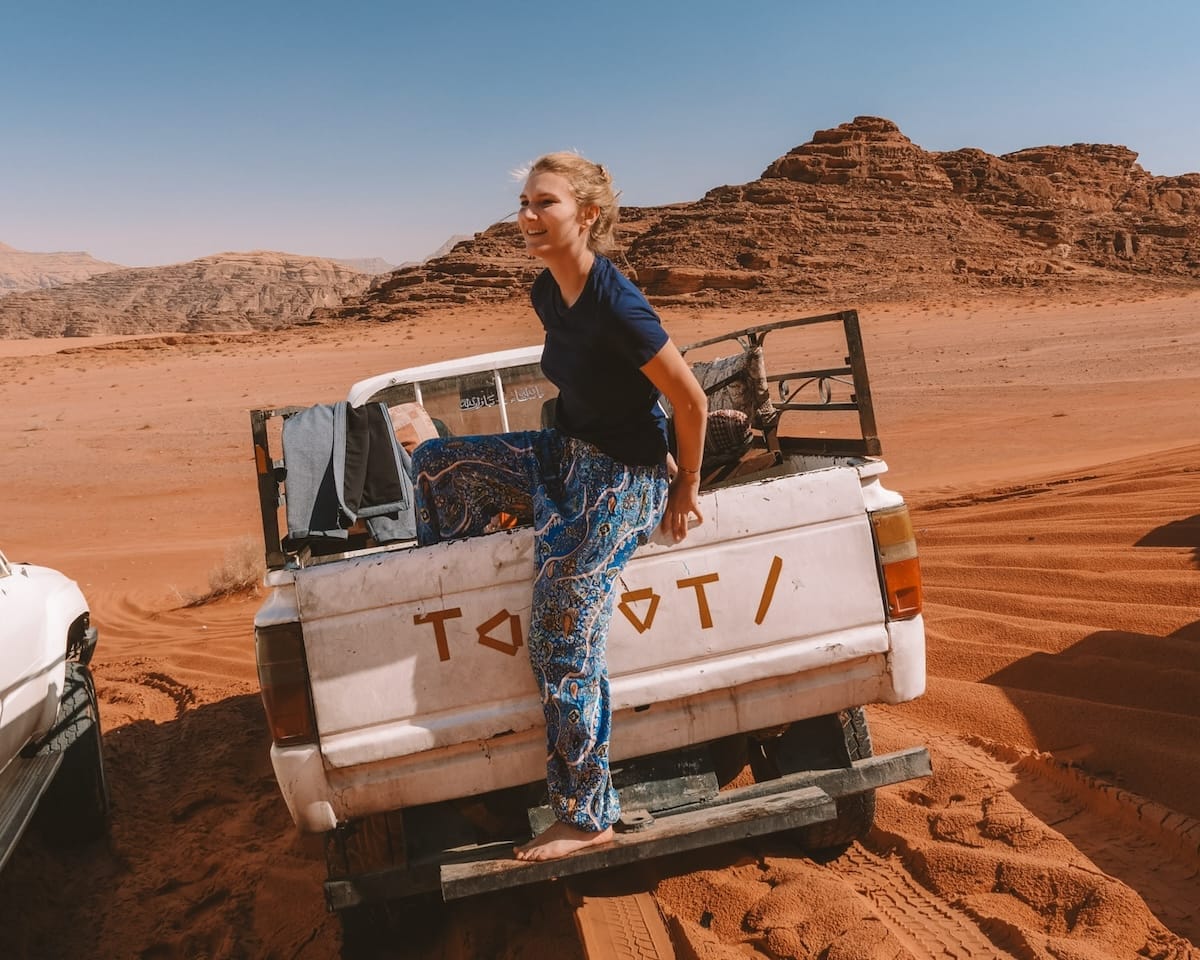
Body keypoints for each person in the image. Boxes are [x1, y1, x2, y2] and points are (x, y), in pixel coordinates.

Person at [410, 152, 707, 862]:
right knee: (439, 466)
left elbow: (689, 400)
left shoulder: (618, 304)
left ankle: (586, 815)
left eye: (544, 203)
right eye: (524, 203)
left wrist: (684, 484)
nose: (527, 217)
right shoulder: (548, 293)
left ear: (588, 216)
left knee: (560, 641)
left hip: (621, 482)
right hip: (565, 454)